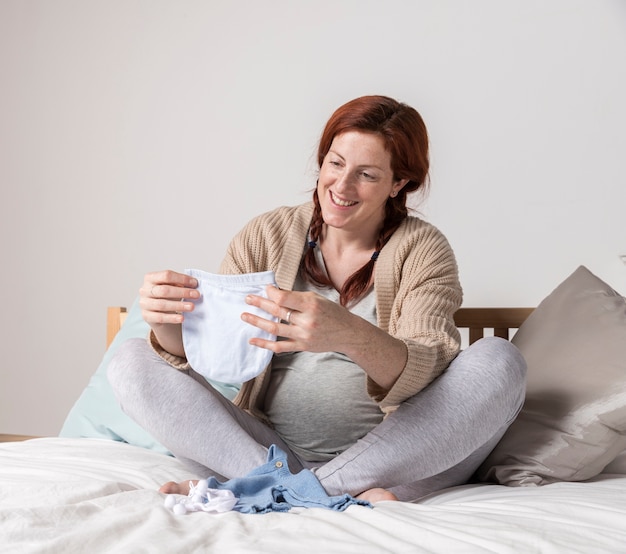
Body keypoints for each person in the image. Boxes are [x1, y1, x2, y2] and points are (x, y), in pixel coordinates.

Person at [108, 95, 526, 504]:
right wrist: (166, 325)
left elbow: (426, 369)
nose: (342, 186)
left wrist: (348, 334)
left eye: (367, 174)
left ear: (399, 183)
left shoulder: (423, 249)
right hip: (266, 453)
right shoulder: (267, 235)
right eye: (336, 163)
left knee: (499, 360)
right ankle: (306, 491)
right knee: (130, 360)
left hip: (395, 458)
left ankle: (269, 492)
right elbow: (222, 352)